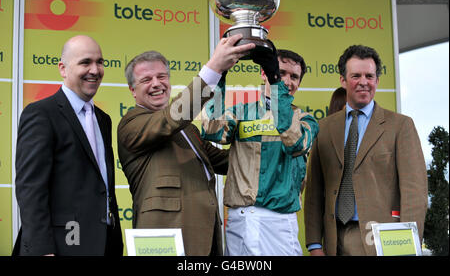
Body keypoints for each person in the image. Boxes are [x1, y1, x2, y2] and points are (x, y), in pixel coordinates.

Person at [117, 34, 255, 256]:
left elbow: (225, 161)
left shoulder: (188, 129)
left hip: (204, 235)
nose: (156, 84)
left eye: (162, 76)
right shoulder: (131, 123)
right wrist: (213, 69)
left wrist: (268, 148)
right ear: (133, 91)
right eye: (146, 80)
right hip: (163, 240)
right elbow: (173, 117)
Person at [304, 44, 428, 256]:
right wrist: (314, 245)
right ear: (343, 80)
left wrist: (408, 246)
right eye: (356, 76)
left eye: (369, 76)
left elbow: (414, 192)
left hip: (385, 240)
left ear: (377, 81)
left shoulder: (400, 126)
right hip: (335, 241)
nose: (363, 82)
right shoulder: (323, 127)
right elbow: (315, 190)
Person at [201, 45, 319, 256]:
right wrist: (220, 77)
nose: (287, 81)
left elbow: (297, 143)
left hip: (280, 221)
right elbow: (212, 129)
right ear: (263, 72)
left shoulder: (304, 119)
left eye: (294, 76)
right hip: (241, 217)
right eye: (280, 73)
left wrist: (276, 86)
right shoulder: (241, 112)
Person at [14, 35, 123, 256]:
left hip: (103, 245)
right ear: (63, 69)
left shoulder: (104, 120)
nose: (95, 69)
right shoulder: (42, 113)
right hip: (60, 247)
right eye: (85, 62)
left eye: (100, 62)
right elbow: (31, 189)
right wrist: (42, 250)